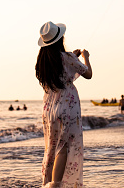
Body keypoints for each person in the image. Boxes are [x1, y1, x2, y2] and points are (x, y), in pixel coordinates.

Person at [35, 21, 92, 188]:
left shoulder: (42, 62)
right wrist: (86, 59)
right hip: (67, 108)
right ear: (60, 39)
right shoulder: (66, 58)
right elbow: (88, 74)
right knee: (63, 147)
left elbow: (62, 74)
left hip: (49, 109)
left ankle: (47, 184)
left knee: (51, 148)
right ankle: (55, 185)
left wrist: (72, 58)